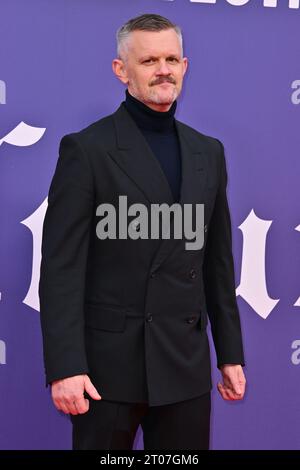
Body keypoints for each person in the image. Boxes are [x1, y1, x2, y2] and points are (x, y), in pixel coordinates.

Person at [39, 13, 246, 450]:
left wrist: (229, 354)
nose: (163, 70)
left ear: (185, 67)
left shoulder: (208, 151)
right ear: (122, 70)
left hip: (185, 368)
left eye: (172, 58)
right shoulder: (88, 150)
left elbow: (218, 263)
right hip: (105, 372)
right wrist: (66, 367)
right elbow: (62, 268)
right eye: (149, 60)